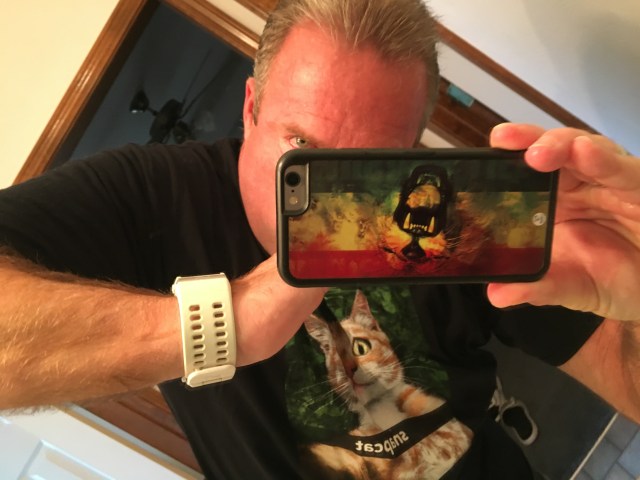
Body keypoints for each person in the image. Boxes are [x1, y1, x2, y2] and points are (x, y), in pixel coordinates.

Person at [0, 0, 638, 478]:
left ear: (411, 152)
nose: (335, 205)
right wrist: (228, 321)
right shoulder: (155, 197)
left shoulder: (440, 211)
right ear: (250, 107)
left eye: (369, 168)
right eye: (302, 149)